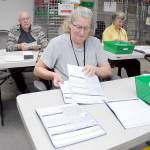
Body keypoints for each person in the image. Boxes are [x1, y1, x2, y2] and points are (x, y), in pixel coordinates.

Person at [34, 6, 112, 88]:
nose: (82, 33)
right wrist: (53, 75)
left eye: (86, 28)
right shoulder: (57, 43)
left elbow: (108, 71)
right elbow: (37, 69)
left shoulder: (95, 43)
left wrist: (96, 70)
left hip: (91, 90)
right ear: (70, 25)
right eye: (78, 27)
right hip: (66, 90)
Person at [7, 11, 48, 93]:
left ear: (30, 19)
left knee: (46, 65)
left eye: (27, 18)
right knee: (13, 69)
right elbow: (8, 47)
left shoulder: (38, 29)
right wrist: (19, 46)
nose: (26, 21)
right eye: (23, 19)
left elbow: (46, 44)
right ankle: (23, 89)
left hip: (36, 57)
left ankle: (46, 88)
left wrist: (41, 52)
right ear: (19, 21)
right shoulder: (13, 30)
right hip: (20, 58)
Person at [103, 11, 140, 77]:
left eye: (122, 22)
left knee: (136, 63)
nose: (121, 24)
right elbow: (105, 45)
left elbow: (125, 45)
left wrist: (129, 43)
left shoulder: (123, 31)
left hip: (123, 56)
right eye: (119, 22)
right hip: (112, 58)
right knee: (131, 63)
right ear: (114, 21)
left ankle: (134, 81)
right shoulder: (107, 31)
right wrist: (114, 42)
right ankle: (132, 80)